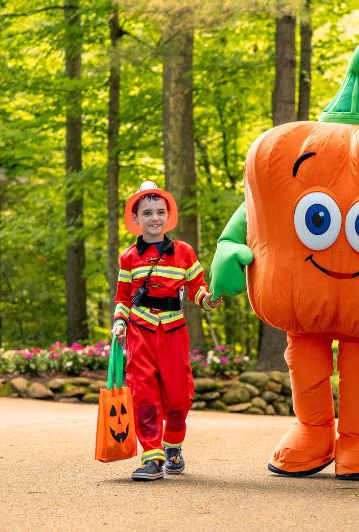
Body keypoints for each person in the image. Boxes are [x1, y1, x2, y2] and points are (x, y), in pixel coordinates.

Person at [111, 181, 222, 481]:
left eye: (160, 211)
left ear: (168, 215)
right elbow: (123, 297)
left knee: (178, 396)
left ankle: (172, 445)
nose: (154, 218)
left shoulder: (184, 252)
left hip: (173, 331)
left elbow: (197, 288)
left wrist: (209, 299)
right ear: (136, 219)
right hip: (140, 332)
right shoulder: (128, 258)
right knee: (143, 394)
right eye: (147, 213)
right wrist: (120, 322)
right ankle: (151, 457)